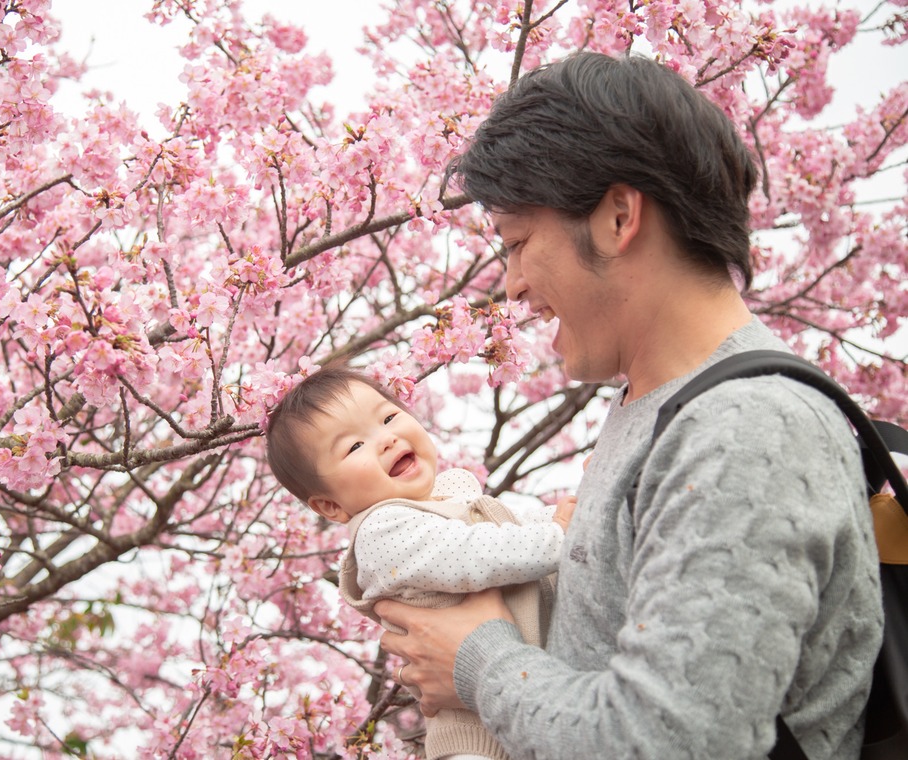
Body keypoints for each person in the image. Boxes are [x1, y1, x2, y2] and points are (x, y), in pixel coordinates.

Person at [375, 52, 884, 760]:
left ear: (618, 215)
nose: (512, 285)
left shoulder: (745, 428)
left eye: (519, 244)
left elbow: (671, 740)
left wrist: (478, 661)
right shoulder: (659, 404)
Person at [265, 363, 576, 760]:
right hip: (476, 736)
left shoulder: (446, 505)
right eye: (354, 446)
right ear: (329, 504)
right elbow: (475, 554)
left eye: (389, 417)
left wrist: (567, 515)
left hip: (527, 688)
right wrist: (560, 537)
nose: (386, 439)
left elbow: (509, 528)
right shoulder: (381, 531)